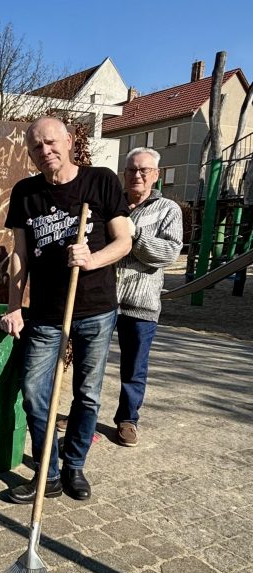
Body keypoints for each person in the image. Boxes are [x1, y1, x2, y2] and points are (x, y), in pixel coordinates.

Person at [0, 117, 131, 502]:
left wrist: (91, 259)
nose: (46, 151)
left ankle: (74, 467)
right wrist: (14, 306)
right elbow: (20, 256)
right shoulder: (26, 192)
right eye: (37, 147)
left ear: (70, 141)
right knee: (34, 391)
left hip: (95, 309)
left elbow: (124, 241)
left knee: (87, 394)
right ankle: (48, 473)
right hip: (45, 313)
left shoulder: (102, 181)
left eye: (52, 143)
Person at [113, 147, 183, 447]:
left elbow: (168, 253)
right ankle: (80, 415)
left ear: (156, 174)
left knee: (134, 367)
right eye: (131, 170)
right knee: (90, 364)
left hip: (141, 303)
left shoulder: (168, 209)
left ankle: (128, 420)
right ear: (124, 173)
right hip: (104, 301)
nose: (137, 175)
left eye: (144, 170)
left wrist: (136, 235)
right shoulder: (112, 203)